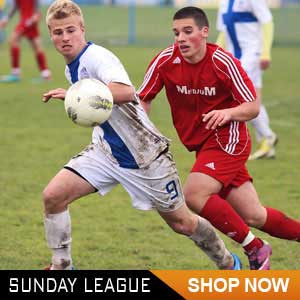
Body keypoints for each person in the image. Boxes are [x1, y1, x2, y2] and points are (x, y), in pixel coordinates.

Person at [41, 0, 241, 271]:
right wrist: (73, 95)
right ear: (50, 35)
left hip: (145, 157)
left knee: (183, 223)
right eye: (57, 32)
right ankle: (62, 267)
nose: (65, 37)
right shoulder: (72, 66)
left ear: (82, 29)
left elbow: (126, 92)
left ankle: (227, 262)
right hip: (106, 152)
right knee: (53, 197)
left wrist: (80, 94)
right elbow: (96, 99)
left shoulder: (97, 57)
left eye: (70, 30)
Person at [138, 6, 300, 270]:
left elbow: (252, 106)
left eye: (187, 31)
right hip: (202, 147)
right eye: (176, 32)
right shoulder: (165, 60)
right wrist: (144, 132)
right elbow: (142, 97)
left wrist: (227, 113)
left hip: (229, 140)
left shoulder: (222, 61)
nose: (180, 38)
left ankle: (255, 248)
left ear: (204, 32)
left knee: (194, 194)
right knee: (254, 215)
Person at [216, 0, 277, 160]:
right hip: (234, 57)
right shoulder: (224, 3)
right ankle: (266, 143)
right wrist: (215, 51)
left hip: (251, 55)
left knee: (239, 97)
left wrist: (265, 53)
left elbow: (267, 22)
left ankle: (267, 136)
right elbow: (224, 31)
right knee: (251, 99)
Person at [0, 0, 51, 83]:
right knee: (36, 45)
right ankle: (46, 74)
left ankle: (15, 73)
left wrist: (36, 14)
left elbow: (35, 3)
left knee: (13, 39)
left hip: (29, 19)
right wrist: (6, 19)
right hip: (26, 19)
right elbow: (15, 6)